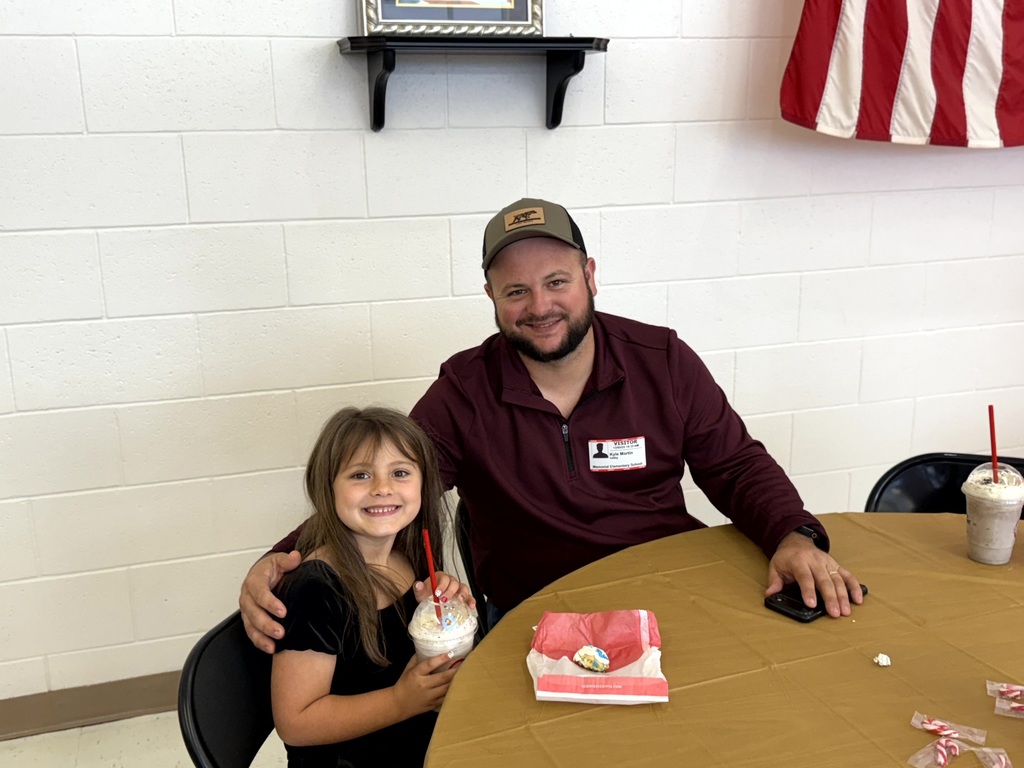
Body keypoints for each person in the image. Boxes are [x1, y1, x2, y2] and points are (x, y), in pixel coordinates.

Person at [241, 197, 863, 652]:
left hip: (671, 591)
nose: (540, 307)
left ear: (590, 277)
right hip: (535, 615)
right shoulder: (464, 389)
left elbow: (735, 464)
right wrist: (284, 556)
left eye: (557, 282)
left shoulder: (662, 359)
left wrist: (792, 533)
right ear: (490, 296)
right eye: (516, 291)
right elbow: (388, 487)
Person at [270, 406, 476, 768]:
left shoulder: (404, 559)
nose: (383, 489)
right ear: (326, 487)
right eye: (360, 475)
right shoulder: (316, 589)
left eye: (400, 473)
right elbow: (296, 723)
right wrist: (401, 700)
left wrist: (439, 608)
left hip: (421, 743)